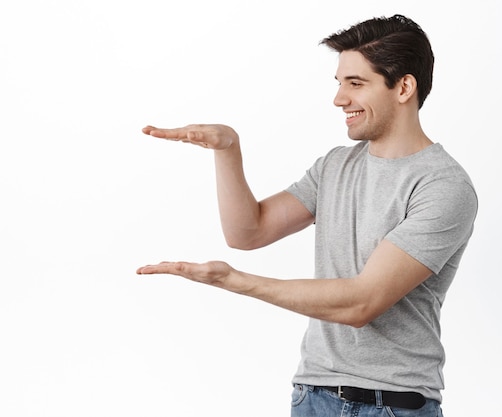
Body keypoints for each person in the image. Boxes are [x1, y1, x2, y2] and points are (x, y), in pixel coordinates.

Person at [137, 14, 478, 417]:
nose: (339, 99)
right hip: (312, 395)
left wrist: (234, 281)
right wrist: (228, 150)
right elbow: (248, 232)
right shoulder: (335, 166)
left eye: (355, 83)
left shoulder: (443, 186)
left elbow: (361, 304)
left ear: (404, 87)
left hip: (391, 405)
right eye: (339, 83)